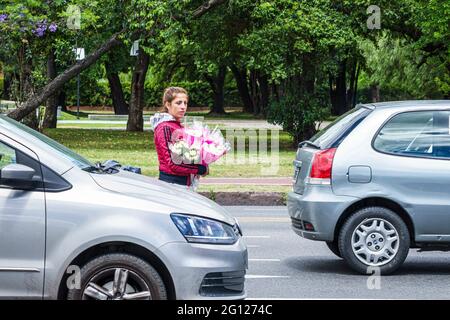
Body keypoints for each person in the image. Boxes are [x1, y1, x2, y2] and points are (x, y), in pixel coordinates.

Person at [150, 87, 208, 187]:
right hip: (173, 184)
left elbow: (185, 155)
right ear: (168, 104)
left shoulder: (176, 125)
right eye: (178, 103)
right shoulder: (165, 127)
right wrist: (200, 169)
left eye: (185, 103)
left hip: (183, 182)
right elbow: (173, 163)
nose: (183, 107)